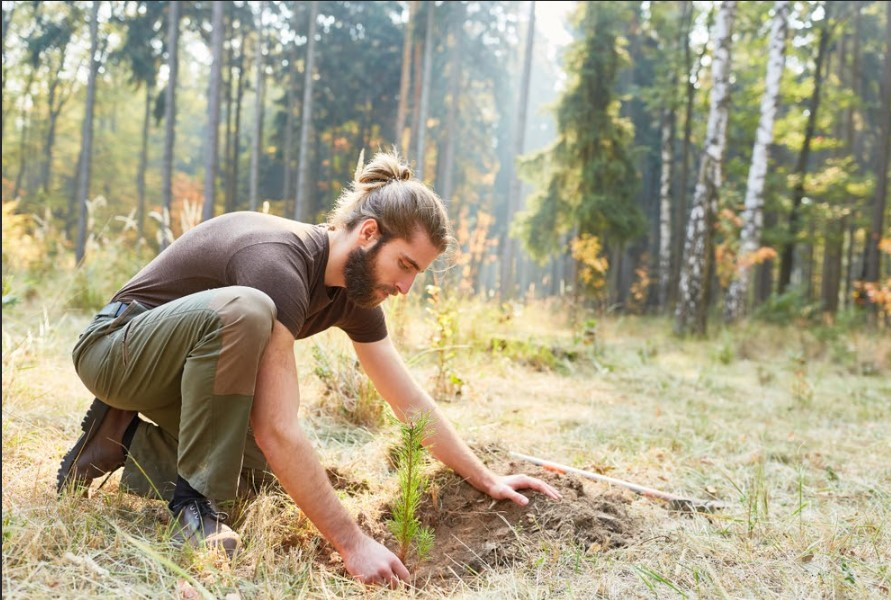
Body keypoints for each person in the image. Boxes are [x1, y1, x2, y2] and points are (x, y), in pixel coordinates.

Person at [57, 151, 561, 587]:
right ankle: (196, 508)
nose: (406, 288)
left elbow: (406, 399)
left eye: (417, 274)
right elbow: (277, 427)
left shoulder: (354, 294)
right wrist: (352, 543)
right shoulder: (278, 263)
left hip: (184, 375)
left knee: (267, 483)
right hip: (116, 352)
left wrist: (486, 477)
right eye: (405, 265)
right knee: (248, 310)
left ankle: (120, 439)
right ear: (369, 233)